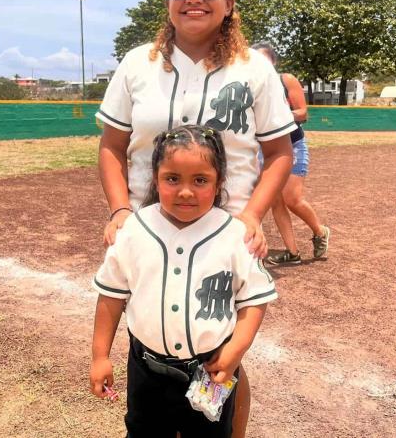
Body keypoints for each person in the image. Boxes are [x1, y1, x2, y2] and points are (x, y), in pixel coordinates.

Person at [96, 0, 295, 437]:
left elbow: (280, 154)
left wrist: (252, 216)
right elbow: (111, 146)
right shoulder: (138, 63)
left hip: (226, 231)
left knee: (222, 350)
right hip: (149, 225)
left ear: (229, 2)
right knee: (157, 326)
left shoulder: (254, 68)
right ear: (168, 1)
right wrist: (120, 208)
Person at [90, 125, 277, 437]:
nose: (186, 191)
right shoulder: (133, 230)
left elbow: (254, 300)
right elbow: (110, 297)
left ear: (219, 185)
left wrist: (236, 351)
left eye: (200, 180)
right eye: (172, 178)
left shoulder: (234, 235)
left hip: (210, 369)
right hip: (145, 369)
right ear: (155, 179)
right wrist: (99, 356)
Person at [251, 42, 330, 264]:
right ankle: (292, 252)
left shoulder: (285, 80)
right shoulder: (249, 87)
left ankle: (320, 232)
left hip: (291, 145)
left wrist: (276, 114)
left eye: (263, 60)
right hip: (263, 150)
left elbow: (303, 113)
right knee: (275, 201)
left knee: (292, 198)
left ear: (273, 63)